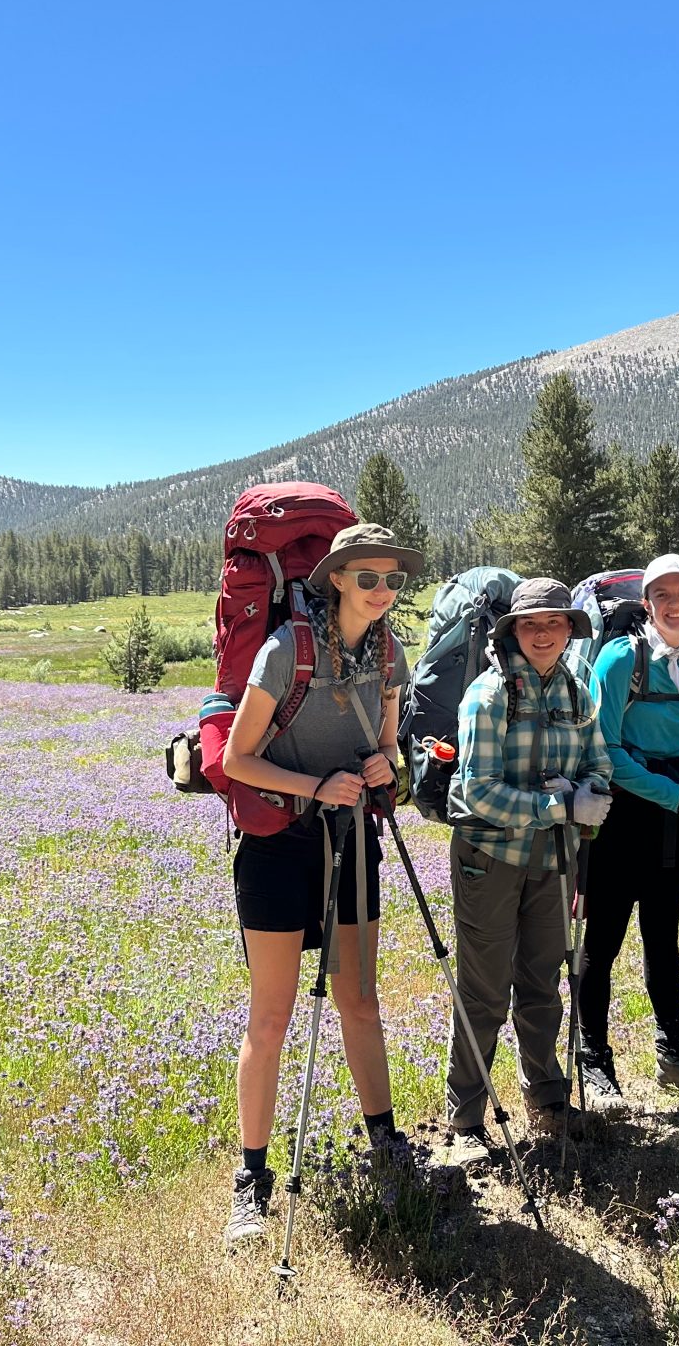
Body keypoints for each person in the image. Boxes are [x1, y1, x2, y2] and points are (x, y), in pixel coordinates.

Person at [219, 522, 420, 1244]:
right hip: (277, 843)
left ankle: (386, 1144)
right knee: (270, 1018)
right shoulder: (286, 651)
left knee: (359, 1001)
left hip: (350, 840)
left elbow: (390, 747)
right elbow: (240, 759)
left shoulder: (390, 653)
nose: (382, 590)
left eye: (393, 579)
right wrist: (317, 786)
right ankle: (252, 1176)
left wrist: (382, 770)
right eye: (368, 577)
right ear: (336, 578)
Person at [445, 578, 613, 1164]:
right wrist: (560, 807)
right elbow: (475, 793)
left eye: (555, 624)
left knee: (542, 983)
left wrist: (593, 787)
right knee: (485, 990)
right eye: (531, 625)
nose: (543, 634)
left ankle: (546, 1094)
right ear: (513, 631)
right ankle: (466, 1115)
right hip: (488, 861)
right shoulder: (487, 696)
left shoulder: (579, 691)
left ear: (570, 630)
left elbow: (598, 758)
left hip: (552, 861)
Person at [577, 553, 679, 1109]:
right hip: (620, 814)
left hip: (676, 814)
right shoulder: (621, 659)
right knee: (601, 943)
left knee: (662, 935)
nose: (675, 605)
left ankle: (673, 1047)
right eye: (663, 596)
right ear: (646, 604)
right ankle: (592, 1057)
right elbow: (606, 752)